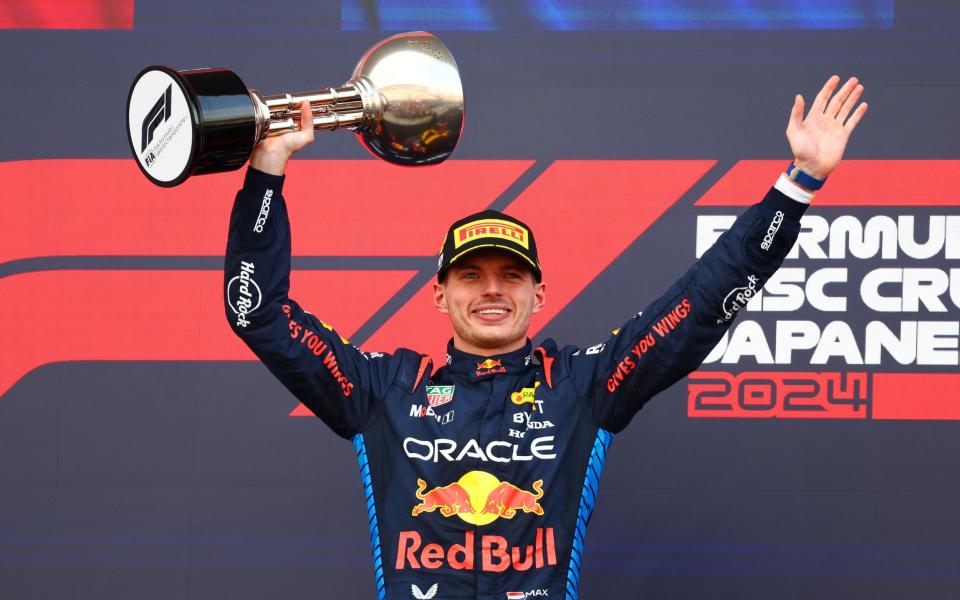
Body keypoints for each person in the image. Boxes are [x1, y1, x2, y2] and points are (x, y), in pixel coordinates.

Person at [224, 76, 867, 599]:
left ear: (540, 294)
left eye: (511, 276)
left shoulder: (583, 386)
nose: (492, 291)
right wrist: (268, 169)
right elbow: (258, 313)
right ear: (441, 295)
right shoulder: (384, 389)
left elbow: (698, 306)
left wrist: (797, 185)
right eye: (471, 276)